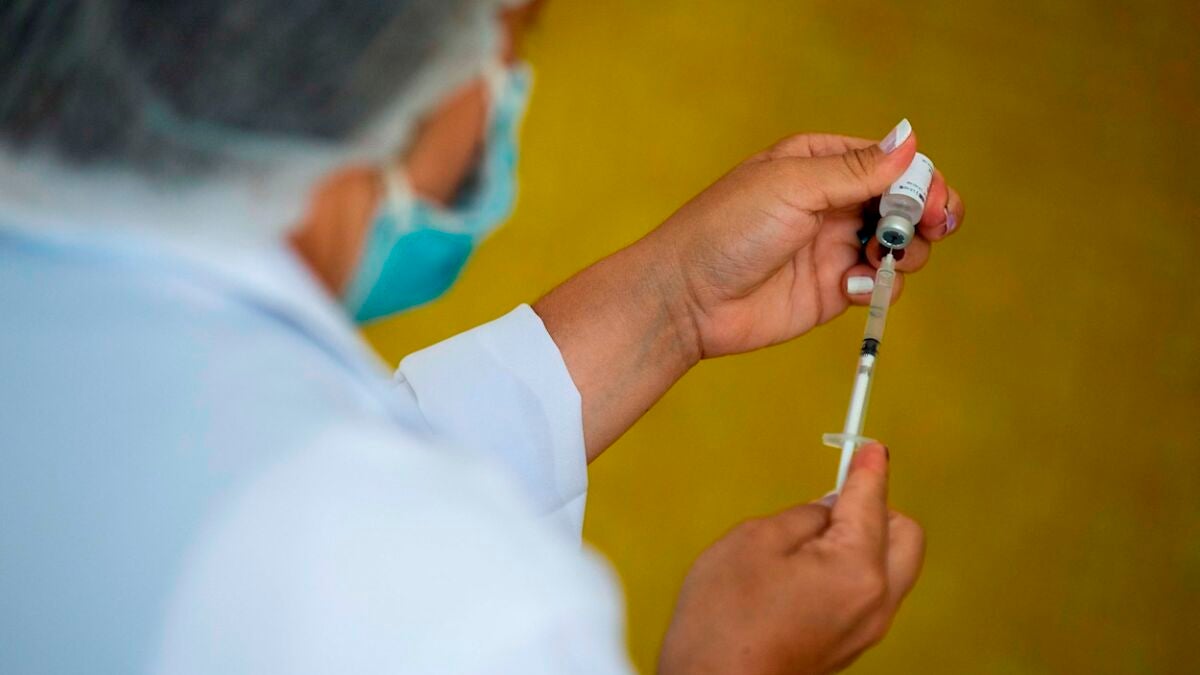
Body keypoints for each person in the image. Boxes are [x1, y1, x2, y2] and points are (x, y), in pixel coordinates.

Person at [0, 1, 965, 673]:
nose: (502, 85)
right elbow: (355, 552)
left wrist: (672, 300)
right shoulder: (477, 618)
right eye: (510, 38)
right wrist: (740, 664)